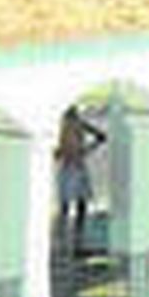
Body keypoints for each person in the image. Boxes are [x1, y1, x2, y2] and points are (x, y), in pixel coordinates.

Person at [55, 104, 106, 255]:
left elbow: (100, 136)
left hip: (73, 166)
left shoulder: (70, 122)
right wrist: (85, 150)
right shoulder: (68, 123)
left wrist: (85, 150)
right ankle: (71, 242)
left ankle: (72, 242)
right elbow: (100, 137)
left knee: (74, 206)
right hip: (73, 166)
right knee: (72, 206)